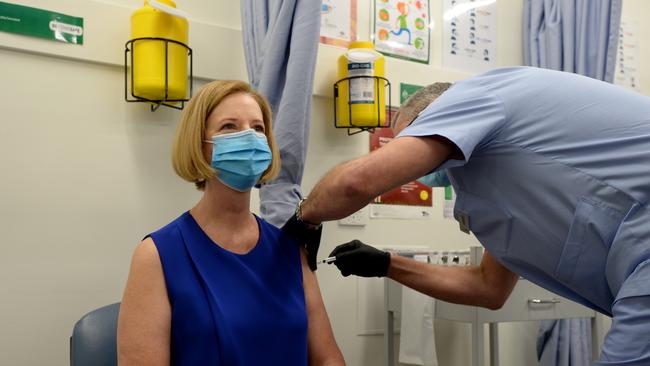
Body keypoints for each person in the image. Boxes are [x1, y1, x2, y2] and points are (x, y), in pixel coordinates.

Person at [283, 67, 650, 365]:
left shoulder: (474, 94)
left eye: (411, 138)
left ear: (435, 113)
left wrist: (303, 218)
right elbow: (488, 289)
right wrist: (385, 263)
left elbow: (356, 182)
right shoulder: (498, 182)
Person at [117, 80, 345, 365]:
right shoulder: (157, 256)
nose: (249, 138)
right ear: (199, 144)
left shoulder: (290, 250)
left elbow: (327, 359)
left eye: (258, 128)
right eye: (229, 127)